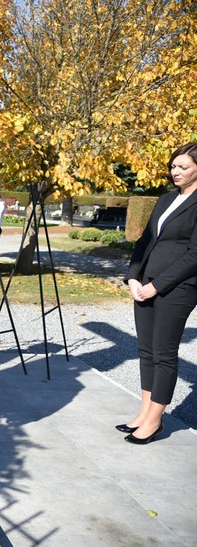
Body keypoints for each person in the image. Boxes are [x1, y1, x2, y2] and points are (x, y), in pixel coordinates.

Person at [120, 142, 197, 445]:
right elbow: (145, 241)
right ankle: (144, 412)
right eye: (173, 167)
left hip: (177, 288)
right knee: (146, 350)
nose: (175, 172)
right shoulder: (166, 199)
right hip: (145, 283)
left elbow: (194, 255)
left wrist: (157, 285)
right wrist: (133, 277)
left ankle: (155, 421)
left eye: (183, 167)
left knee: (164, 354)